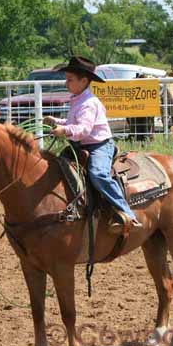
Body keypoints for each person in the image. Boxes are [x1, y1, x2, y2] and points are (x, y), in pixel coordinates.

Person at [43, 56, 141, 228]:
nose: (66, 83)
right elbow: (73, 124)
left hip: (99, 146)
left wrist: (64, 130)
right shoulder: (78, 99)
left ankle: (126, 212)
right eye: (66, 79)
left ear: (84, 81)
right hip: (80, 145)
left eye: (70, 80)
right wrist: (56, 122)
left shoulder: (89, 103)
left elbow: (84, 129)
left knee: (98, 174)